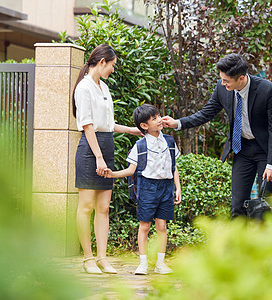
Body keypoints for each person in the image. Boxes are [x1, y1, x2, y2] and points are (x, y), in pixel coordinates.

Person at [162, 53, 272, 218]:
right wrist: (178, 123)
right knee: (237, 205)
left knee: (267, 204)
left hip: (266, 150)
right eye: (222, 79)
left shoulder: (267, 90)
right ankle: (239, 242)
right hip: (242, 149)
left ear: (241, 78)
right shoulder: (223, 88)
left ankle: (268, 241)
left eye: (226, 80)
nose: (223, 83)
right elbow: (207, 112)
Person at [73, 44, 141, 274]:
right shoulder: (84, 88)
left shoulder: (104, 87)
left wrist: (132, 130)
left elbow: (108, 125)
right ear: (102, 62)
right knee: (86, 207)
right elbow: (87, 125)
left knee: (103, 208)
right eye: (112, 65)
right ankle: (88, 258)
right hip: (90, 150)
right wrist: (98, 158)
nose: (112, 70)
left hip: (106, 146)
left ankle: (102, 257)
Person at [104, 104, 182, 275]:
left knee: (161, 225)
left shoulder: (169, 141)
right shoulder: (140, 145)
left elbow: (174, 167)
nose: (160, 119)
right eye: (154, 118)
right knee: (144, 226)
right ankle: (143, 263)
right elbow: (131, 170)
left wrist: (178, 187)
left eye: (158, 116)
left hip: (166, 187)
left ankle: (161, 263)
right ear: (144, 126)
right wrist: (112, 174)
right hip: (147, 188)